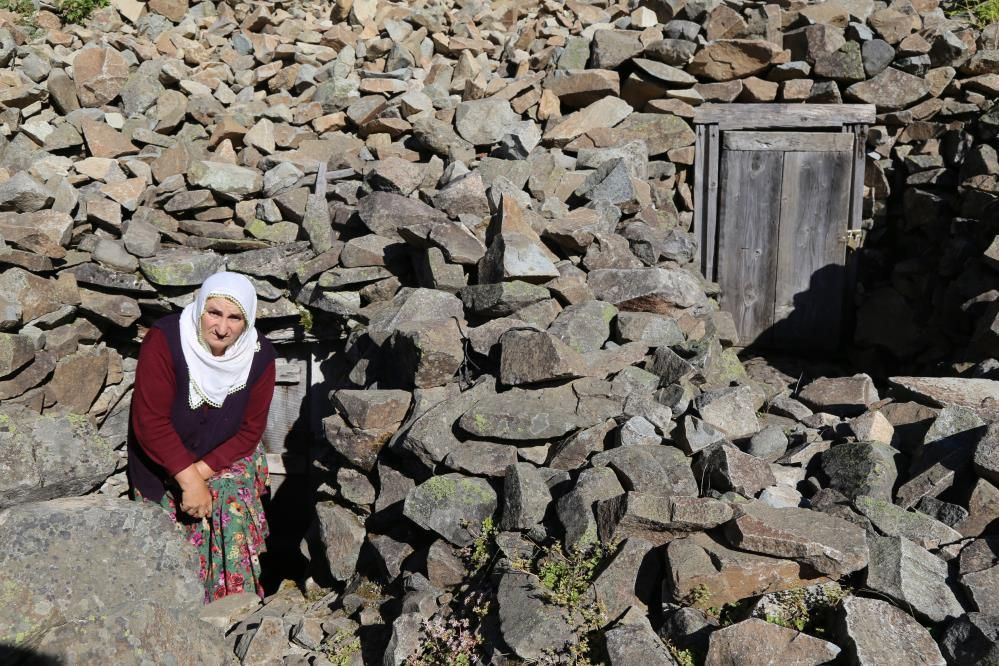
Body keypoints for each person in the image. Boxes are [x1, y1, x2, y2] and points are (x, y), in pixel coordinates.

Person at [128, 271, 276, 603]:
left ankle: (235, 607)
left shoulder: (260, 355)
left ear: (247, 319)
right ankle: (183, 617)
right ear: (199, 308)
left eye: (235, 317)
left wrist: (200, 476)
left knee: (230, 503)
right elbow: (150, 421)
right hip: (160, 462)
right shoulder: (165, 340)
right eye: (214, 313)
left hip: (228, 455)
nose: (222, 328)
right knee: (169, 538)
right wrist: (187, 479)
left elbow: (250, 430)